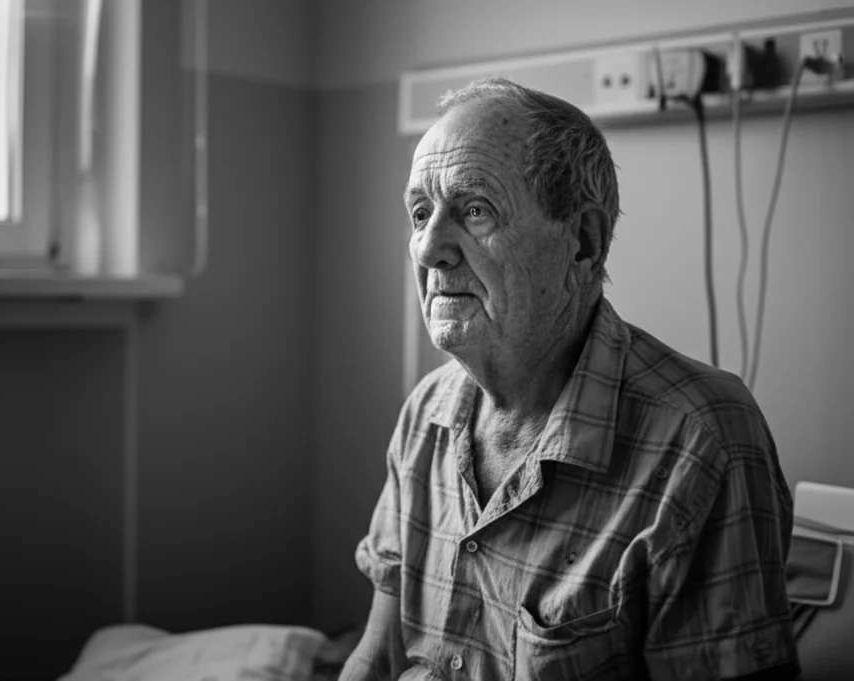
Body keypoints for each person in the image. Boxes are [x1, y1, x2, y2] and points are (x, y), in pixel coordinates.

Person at [340, 78, 799, 681]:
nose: (428, 248)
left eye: (475, 210)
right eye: (420, 213)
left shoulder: (700, 443)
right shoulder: (426, 414)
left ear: (584, 242)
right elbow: (377, 657)